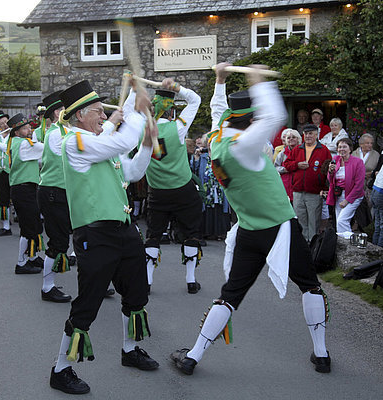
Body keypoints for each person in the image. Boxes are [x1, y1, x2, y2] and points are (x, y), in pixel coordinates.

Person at [171, 63, 330, 376]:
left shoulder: (217, 142)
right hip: (280, 228)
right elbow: (273, 117)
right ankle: (321, 354)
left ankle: (193, 356)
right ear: (251, 120)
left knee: (231, 294)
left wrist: (220, 80)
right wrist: (256, 80)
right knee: (310, 285)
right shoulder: (245, 146)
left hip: (249, 229)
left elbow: (219, 113)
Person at [48, 79, 159, 394]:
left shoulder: (100, 145)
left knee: (136, 294)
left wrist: (148, 141)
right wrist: (137, 110)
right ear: (80, 115)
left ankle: (129, 350)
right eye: (98, 111)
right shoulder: (73, 141)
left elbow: (133, 170)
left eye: (103, 111)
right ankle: (61, 369)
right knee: (88, 303)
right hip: (94, 235)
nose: (103, 115)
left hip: (123, 229)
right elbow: (120, 143)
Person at [123, 77, 203, 294]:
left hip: (157, 192)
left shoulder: (142, 130)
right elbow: (195, 100)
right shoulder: (178, 128)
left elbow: (127, 111)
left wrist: (133, 89)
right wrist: (177, 88)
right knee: (191, 232)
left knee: (154, 235)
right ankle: (190, 280)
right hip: (183, 190)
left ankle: (147, 281)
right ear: (171, 112)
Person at [0, 113, 45, 274]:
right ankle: (21, 263)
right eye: (25, 128)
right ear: (16, 132)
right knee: (28, 226)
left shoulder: (16, 142)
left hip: (25, 188)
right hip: (23, 189)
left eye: (29, 127)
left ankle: (32, 257)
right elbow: (46, 150)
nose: (29, 129)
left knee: (33, 224)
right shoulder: (23, 144)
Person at [35, 91, 73, 302]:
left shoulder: (65, 130)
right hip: (53, 192)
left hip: (63, 192)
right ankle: (47, 287)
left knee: (84, 237)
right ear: (58, 113)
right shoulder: (56, 133)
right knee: (58, 242)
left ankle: (94, 282)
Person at [283, 124, 332, 242]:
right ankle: (304, 247)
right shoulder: (297, 149)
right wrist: (297, 165)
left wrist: (325, 188)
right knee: (301, 222)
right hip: (298, 192)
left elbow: (328, 171)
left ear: (316, 135)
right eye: (306, 134)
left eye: (311, 133)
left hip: (314, 192)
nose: (308, 136)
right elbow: (286, 164)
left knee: (314, 223)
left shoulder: (323, 150)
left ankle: (313, 248)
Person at [325, 138, 365, 234]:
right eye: (339, 147)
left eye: (344, 147)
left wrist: (347, 201)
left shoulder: (358, 162)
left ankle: (348, 243)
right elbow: (331, 181)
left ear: (350, 149)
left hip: (353, 195)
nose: (341, 149)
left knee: (342, 221)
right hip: (338, 194)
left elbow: (359, 185)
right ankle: (342, 244)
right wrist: (330, 172)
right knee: (338, 221)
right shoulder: (335, 159)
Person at [274, 129, 302, 201]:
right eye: (289, 138)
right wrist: (284, 169)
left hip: (299, 186)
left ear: (298, 139)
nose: (291, 139)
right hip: (285, 186)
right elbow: (275, 168)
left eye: (294, 137)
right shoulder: (282, 153)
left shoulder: (303, 152)